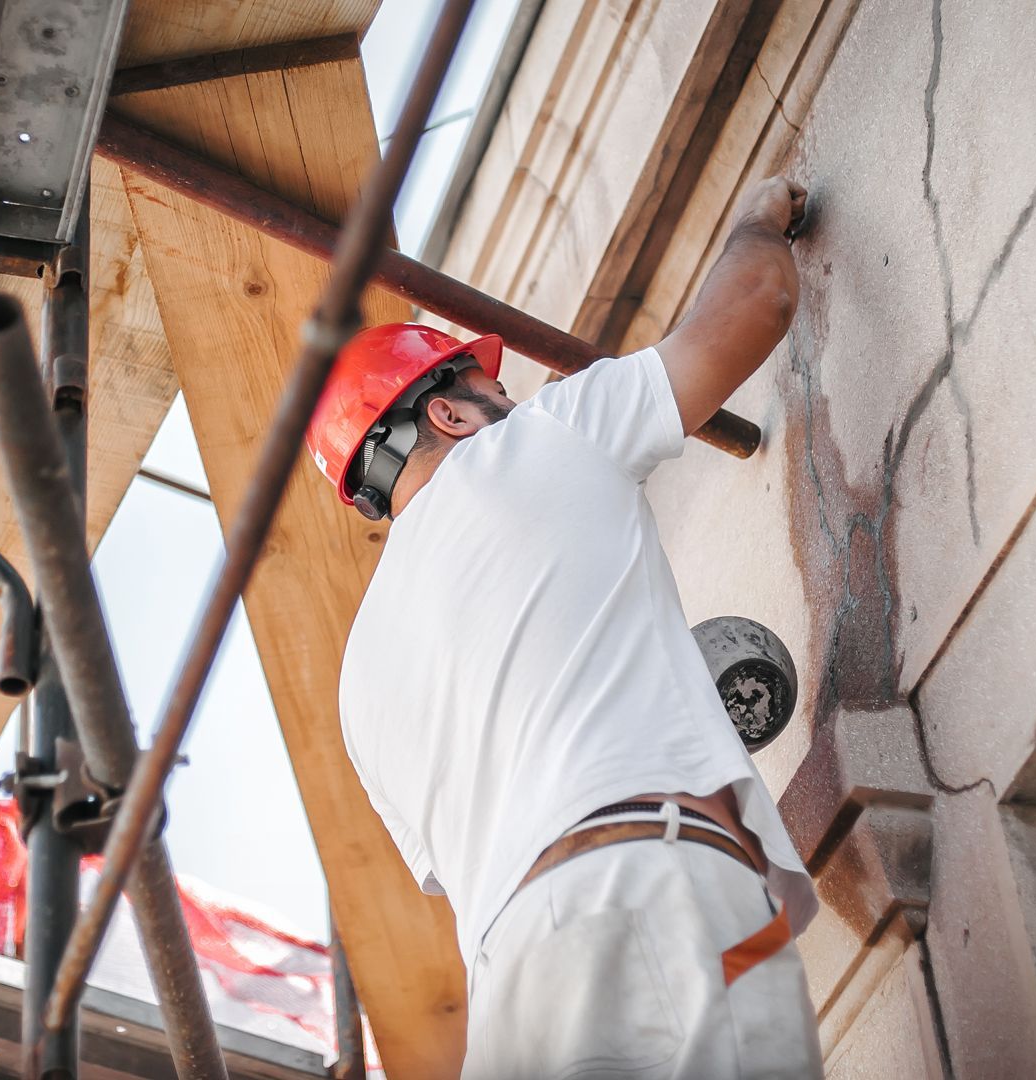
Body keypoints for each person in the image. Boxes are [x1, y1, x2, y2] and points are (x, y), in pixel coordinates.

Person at [305, 176, 821, 1077]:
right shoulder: (537, 440)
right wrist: (756, 218)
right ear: (448, 411)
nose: (511, 396)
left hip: (510, 1003)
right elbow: (758, 303)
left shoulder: (357, 688)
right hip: (651, 888)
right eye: (488, 385)